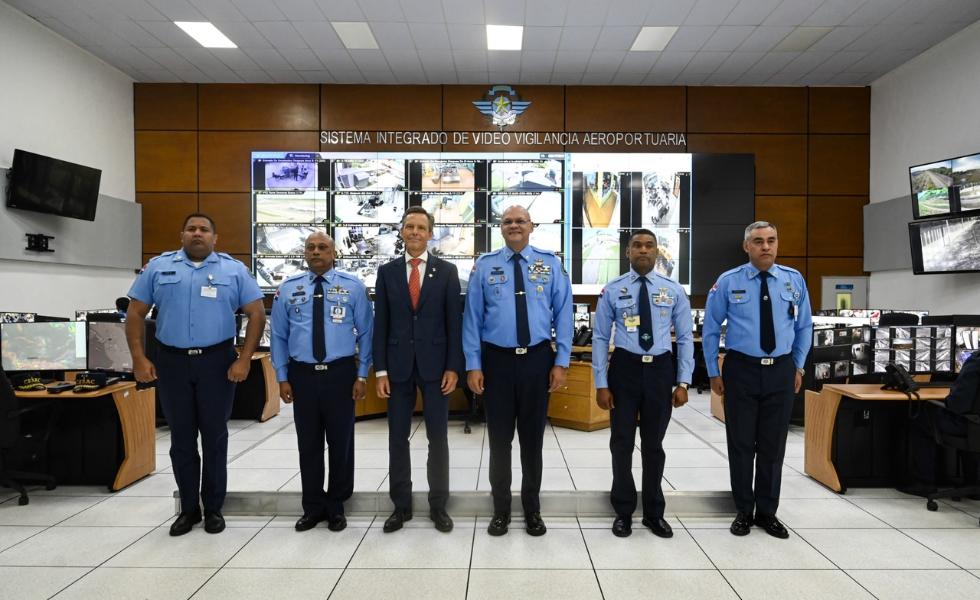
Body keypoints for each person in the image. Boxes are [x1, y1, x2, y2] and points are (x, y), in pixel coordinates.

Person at [126, 213, 265, 536]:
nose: (197, 234)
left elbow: (256, 314)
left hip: (217, 362)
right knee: (181, 438)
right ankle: (189, 509)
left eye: (204, 230)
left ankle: (213, 507)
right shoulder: (158, 268)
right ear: (182, 235)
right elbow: (135, 314)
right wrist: (138, 358)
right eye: (191, 229)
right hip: (172, 363)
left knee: (215, 437)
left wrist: (245, 359)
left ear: (215, 238)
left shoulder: (234, 270)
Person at [463, 205, 573, 536]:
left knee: (532, 441)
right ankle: (501, 510)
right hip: (496, 362)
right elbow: (472, 318)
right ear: (500, 228)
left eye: (520, 221)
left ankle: (532, 509)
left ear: (531, 226)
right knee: (499, 442)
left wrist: (561, 361)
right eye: (508, 221)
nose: (514, 226)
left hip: (537, 361)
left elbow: (563, 315)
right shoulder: (485, 266)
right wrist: (473, 364)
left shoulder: (550, 264)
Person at [702, 221, 812, 539]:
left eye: (771, 240)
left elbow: (804, 326)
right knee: (740, 444)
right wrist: (713, 372)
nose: (766, 246)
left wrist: (798, 367)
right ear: (746, 246)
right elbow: (711, 329)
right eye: (759, 241)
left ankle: (767, 512)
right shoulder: (728, 281)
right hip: (741, 370)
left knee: (773, 446)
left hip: (780, 370)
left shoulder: (793, 280)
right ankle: (743, 511)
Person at [592, 230, 694, 538]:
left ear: (656, 252)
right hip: (624, 369)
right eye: (637, 245)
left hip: (660, 370)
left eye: (649, 246)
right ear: (628, 252)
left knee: (654, 445)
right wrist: (601, 382)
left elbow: (685, 338)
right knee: (621, 443)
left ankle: (653, 512)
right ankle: (623, 511)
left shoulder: (673, 290)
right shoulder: (612, 290)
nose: (643, 250)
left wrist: (683, 381)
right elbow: (600, 338)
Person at [270, 231, 372, 533]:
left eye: (323, 247)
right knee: (309, 443)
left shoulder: (353, 287)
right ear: (305, 253)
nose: (316, 252)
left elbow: (367, 332)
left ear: (334, 253)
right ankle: (312, 507)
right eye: (311, 247)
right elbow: (279, 336)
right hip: (302, 375)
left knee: (341, 442)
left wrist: (362, 373)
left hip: (340, 374)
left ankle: (337, 505)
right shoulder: (288, 288)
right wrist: (282, 376)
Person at [373, 207, 462, 533]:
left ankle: (438, 505)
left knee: (438, 438)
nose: (414, 232)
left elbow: (454, 323)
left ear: (430, 234)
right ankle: (401, 506)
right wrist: (380, 371)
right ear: (401, 231)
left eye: (421, 227)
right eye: (409, 226)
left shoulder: (447, 271)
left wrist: (453, 367)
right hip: (397, 368)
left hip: (436, 368)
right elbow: (380, 324)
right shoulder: (387, 272)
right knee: (397, 437)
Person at [905, 349, 980, 494]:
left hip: (969, 427)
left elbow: (957, 404)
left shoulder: (976, 361)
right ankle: (972, 482)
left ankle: (924, 483)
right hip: (974, 425)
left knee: (921, 417)